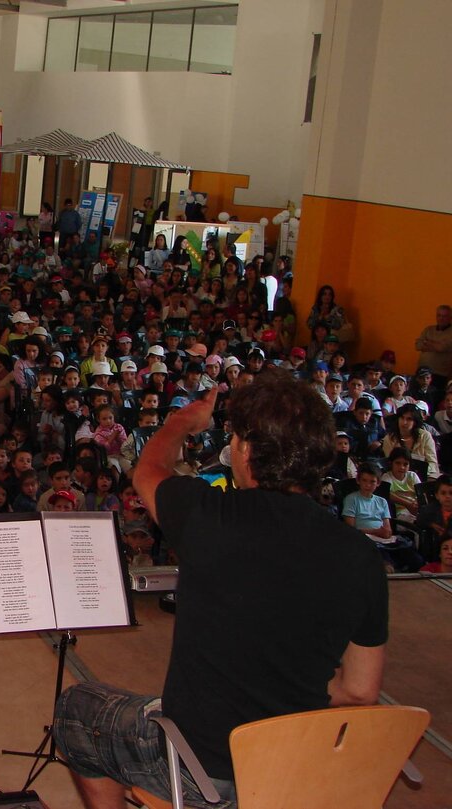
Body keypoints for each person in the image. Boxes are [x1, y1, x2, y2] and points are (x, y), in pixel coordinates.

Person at [53, 372, 387, 809]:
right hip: (296, 772)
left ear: (245, 450)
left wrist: (179, 424)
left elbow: (149, 470)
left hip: (205, 775)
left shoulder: (206, 515)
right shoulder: (361, 556)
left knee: (78, 708)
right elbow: (361, 692)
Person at [414, 304, 452, 388]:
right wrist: (436, 344)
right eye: (439, 315)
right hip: (421, 372)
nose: (441, 318)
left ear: (450, 317)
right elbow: (418, 345)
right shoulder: (428, 329)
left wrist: (427, 342)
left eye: (444, 316)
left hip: (440, 375)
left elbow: (441, 347)